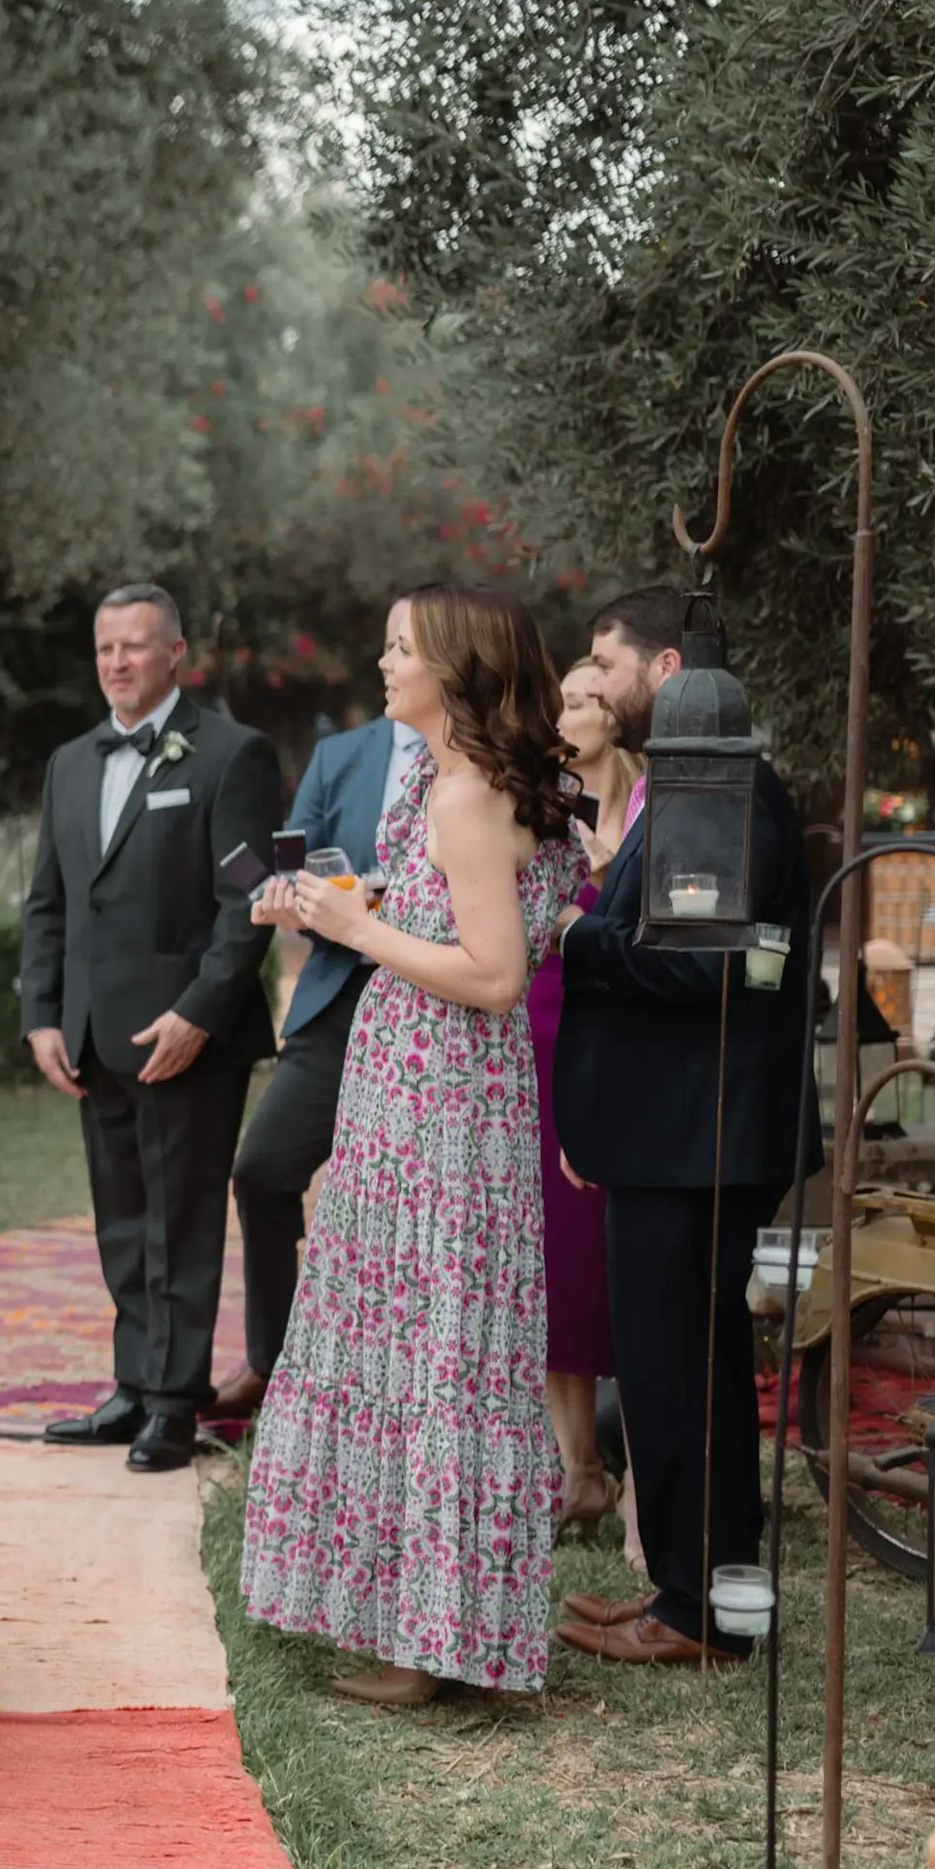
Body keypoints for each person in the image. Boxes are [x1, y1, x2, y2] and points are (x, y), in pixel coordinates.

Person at [237, 587, 584, 1704]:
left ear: (456, 668)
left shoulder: (471, 792)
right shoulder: (463, 784)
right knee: (434, 1345)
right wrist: (342, 898)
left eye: (401, 646)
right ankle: (435, 1626)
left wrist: (357, 928)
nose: (382, 660)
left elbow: (493, 972)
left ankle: (422, 1647)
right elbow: (463, 915)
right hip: (432, 1092)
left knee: (428, 1349)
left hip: (439, 1097)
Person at [552, 587, 812, 1671]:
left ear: (662, 669)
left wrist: (579, 934)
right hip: (669, 1134)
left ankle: (699, 1612)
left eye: (605, 663)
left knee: (684, 1376)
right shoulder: (692, 786)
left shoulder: (727, 793)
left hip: (694, 1139)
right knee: (671, 1371)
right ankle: (683, 1587)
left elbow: (708, 967)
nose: (593, 683)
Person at [20, 583, 286, 1474]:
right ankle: (134, 1384)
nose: (117, 663)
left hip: (187, 1037)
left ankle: (176, 1400)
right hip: (95, 1035)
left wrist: (199, 1015)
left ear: (176, 653)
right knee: (123, 1223)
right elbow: (50, 903)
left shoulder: (232, 754)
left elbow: (246, 905)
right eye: (105, 648)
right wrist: (43, 1014)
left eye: (135, 646)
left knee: (183, 1223)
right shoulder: (67, 762)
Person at [220, 687, 422, 1424]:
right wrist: (287, 896)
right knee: (263, 1168)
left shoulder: (477, 761)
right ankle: (274, 1367)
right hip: (338, 999)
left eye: (405, 646)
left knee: (406, 1205)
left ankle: (397, 1385)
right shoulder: (342, 755)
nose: (388, 661)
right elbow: (292, 857)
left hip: (433, 1002)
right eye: (391, 644)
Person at [530, 662, 644, 1534]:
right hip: (541, 1029)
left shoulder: (652, 809)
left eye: (580, 700)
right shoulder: (542, 806)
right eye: (561, 701)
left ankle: (647, 1479)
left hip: (620, 1036)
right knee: (557, 1262)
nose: (564, 716)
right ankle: (579, 1471)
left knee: (619, 1266)